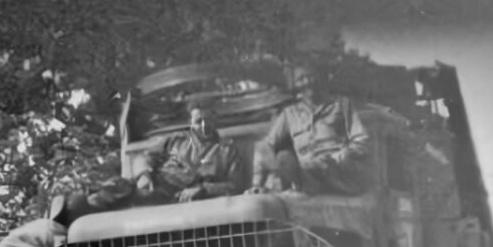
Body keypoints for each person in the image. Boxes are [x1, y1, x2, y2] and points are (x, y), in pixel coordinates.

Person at [50, 102, 242, 226]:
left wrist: (203, 189)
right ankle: (75, 214)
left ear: (215, 120)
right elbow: (147, 156)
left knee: (132, 199)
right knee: (118, 185)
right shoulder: (176, 140)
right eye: (199, 121)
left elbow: (235, 186)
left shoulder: (227, 151)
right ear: (190, 122)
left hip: (184, 198)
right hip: (157, 184)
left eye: (208, 120)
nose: (203, 125)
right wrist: (144, 174)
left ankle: (81, 215)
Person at [247, 65, 371, 196]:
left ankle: (303, 187)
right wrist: (258, 184)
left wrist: (344, 153)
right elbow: (265, 146)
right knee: (284, 158)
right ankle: (298, 187)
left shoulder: (342, 105)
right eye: (301, 78)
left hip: (337, 171)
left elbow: (362, 139)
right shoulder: (290, 113)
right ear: (294, 84)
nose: (307, 82)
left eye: (311, 76)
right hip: (306, 174)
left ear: (321, 78)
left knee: (315, 167)